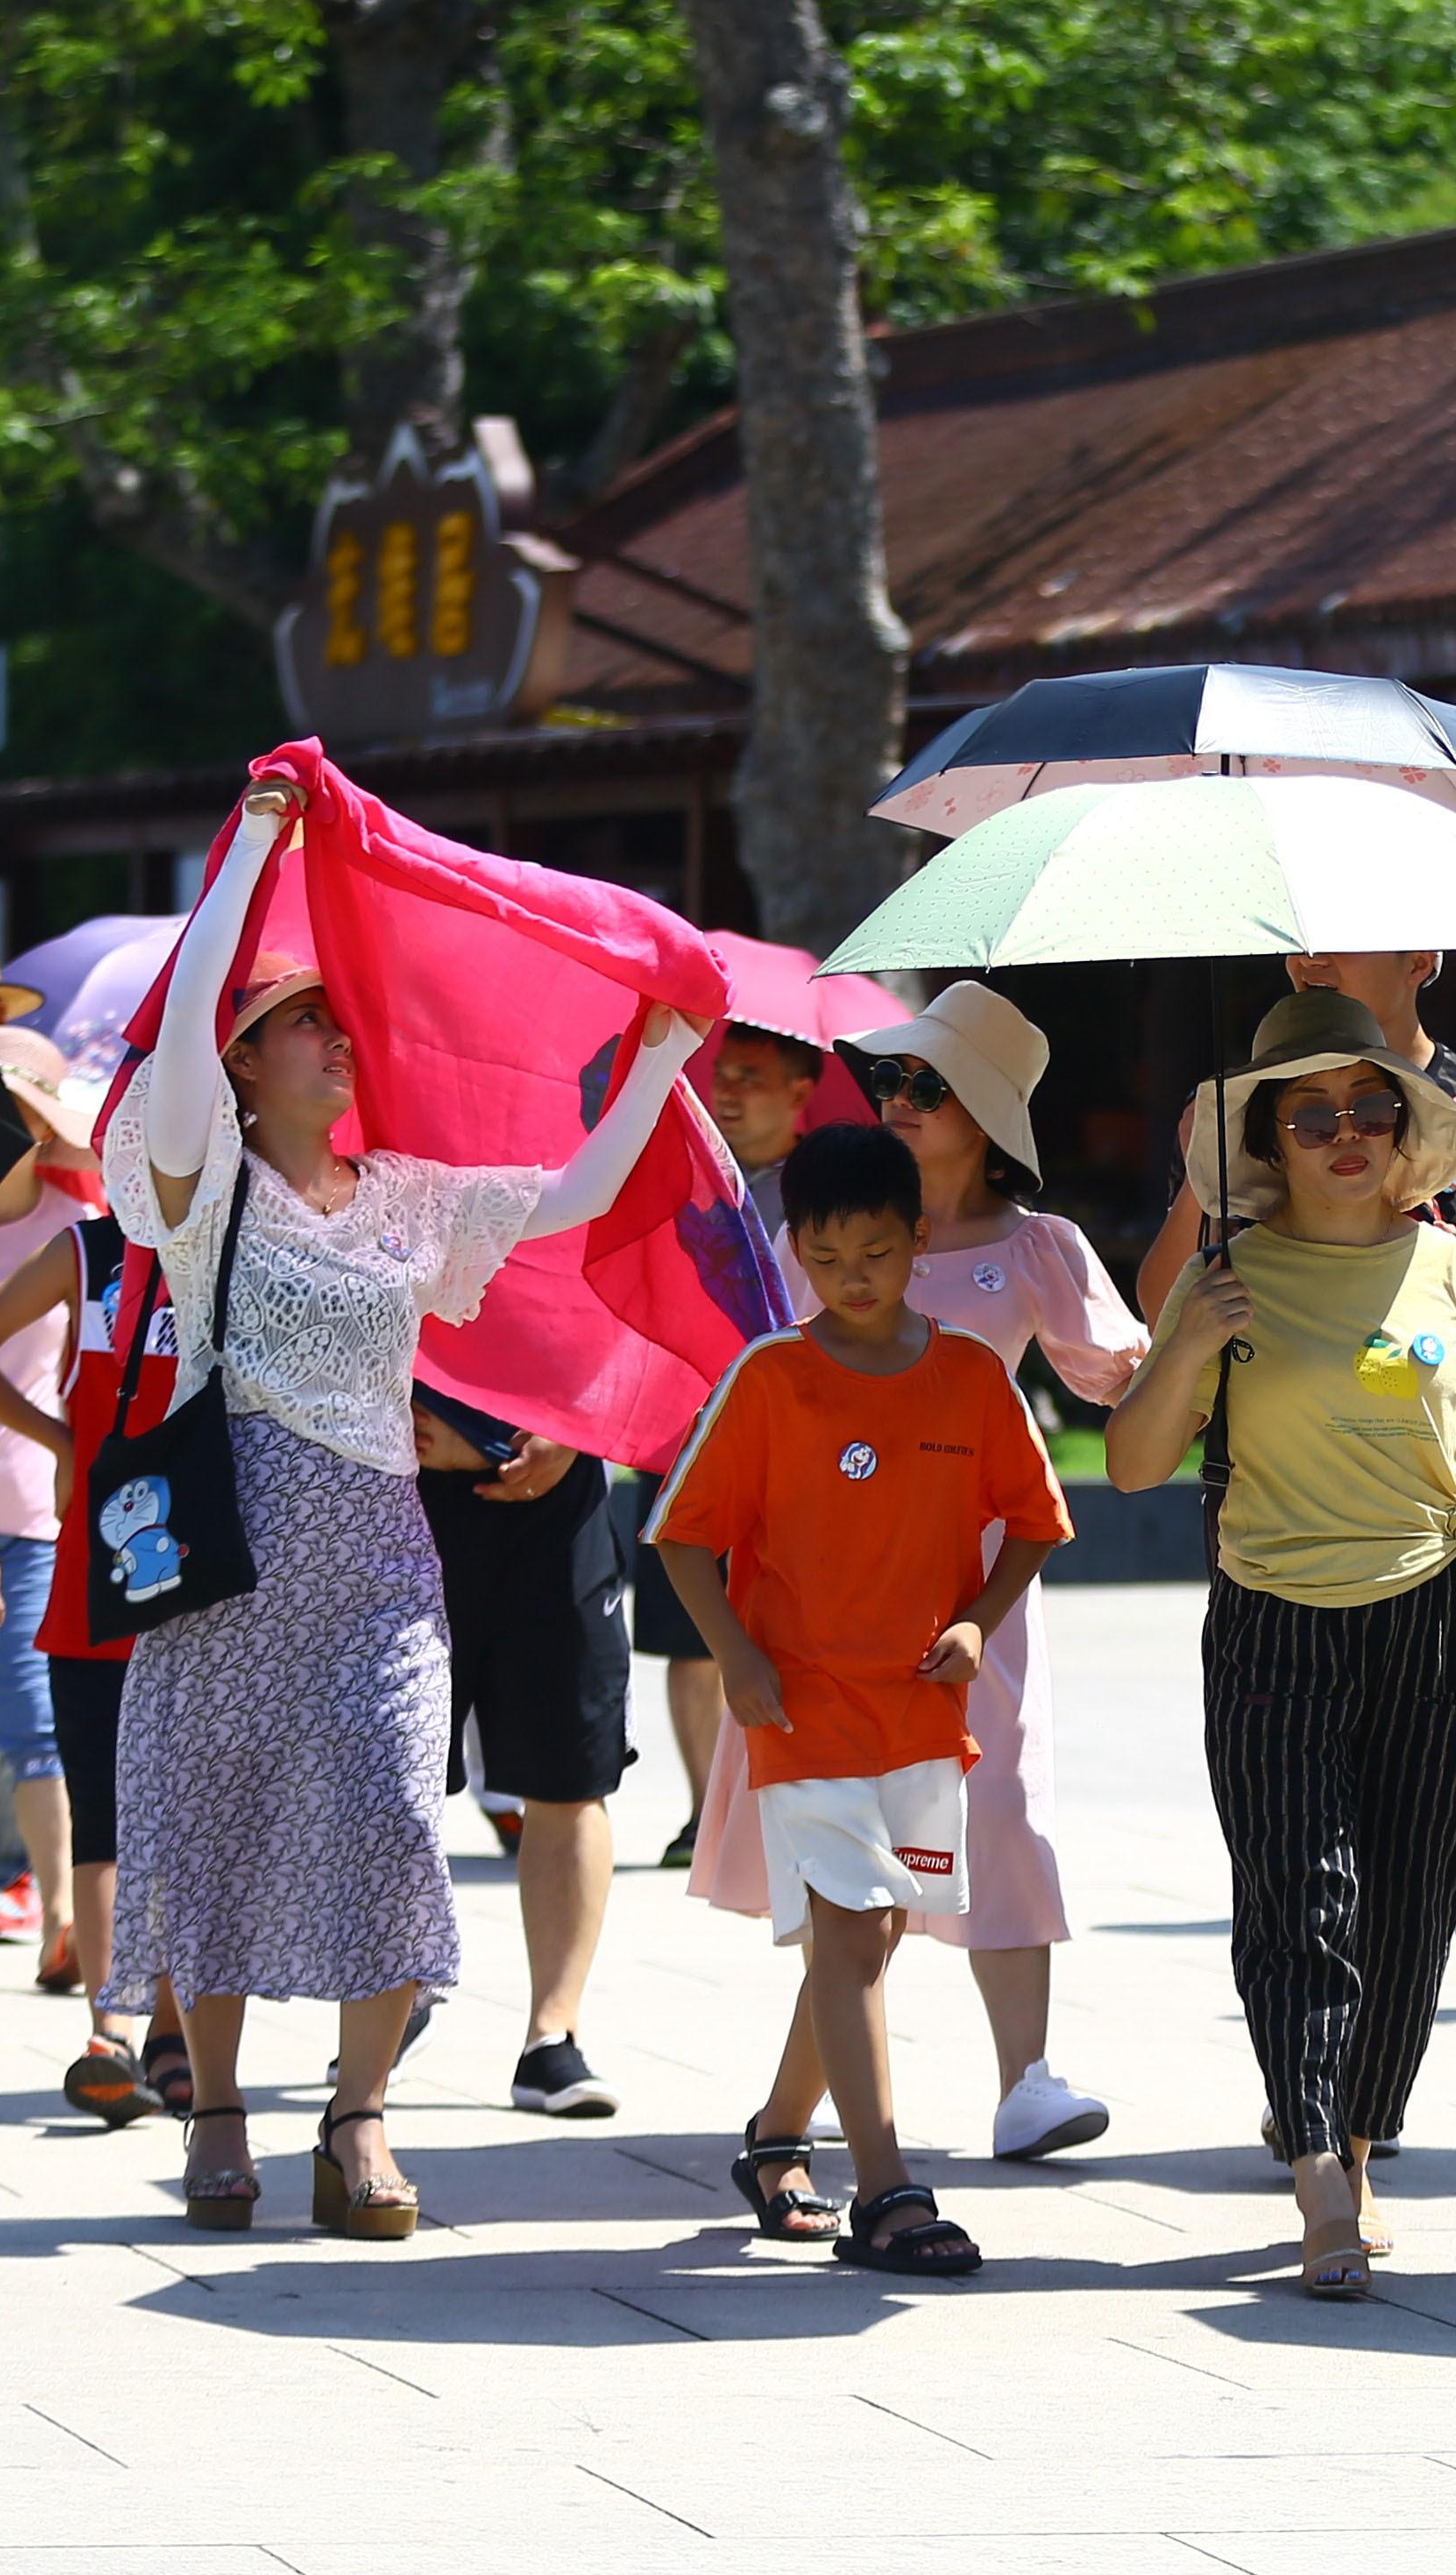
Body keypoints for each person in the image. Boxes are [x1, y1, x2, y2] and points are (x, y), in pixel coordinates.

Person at [101, 774, 701, 2238]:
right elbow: (181, 1034)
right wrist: (250, 846)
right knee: (223, 1826)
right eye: (300, 1018)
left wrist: (662, 1051)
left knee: (389, 1818)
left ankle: (356, 2117)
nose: (333, 1029)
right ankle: (222, 2118)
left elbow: (567, 1198)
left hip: (377, 1549)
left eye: (329, 1014)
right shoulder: (195, 1179)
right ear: (244, 1062)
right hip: (230, 1552)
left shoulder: (411, 1195)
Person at [1100, 989, 1456, 2302]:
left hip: (1434, 1616)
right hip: (1271, 1616)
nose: (1345, 1134)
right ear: (1268, 1138)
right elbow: (1137, 1468)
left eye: (1370, 1110)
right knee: (1297, 1899)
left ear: (1407, 1125)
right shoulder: (1226, 1280)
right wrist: (1185, 1340)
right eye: (1311, 1116)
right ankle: (1316, 2159)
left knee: (1421, 1898)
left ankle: (1360, 2134)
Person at [692, 980, 1144, 2158]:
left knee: (999, 1797)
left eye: (927, 1084)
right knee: (851, 1839)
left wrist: (1195, 1300)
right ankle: (806, 2112)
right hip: (835, 1564)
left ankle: (1026, 2078)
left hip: (979, 1569)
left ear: (988, 1115)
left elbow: (1119, 1382)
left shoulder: (1040, 1246)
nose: (898, 1097)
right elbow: (762, 1374)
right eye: (890, 1077)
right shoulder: (831, 1231)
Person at [654, 1121, 1077, 2276]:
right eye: (830, 1258)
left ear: (918, 1242)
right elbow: (683, 1539)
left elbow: (1037, 1521)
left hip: (922, 1713)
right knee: (849, 1931)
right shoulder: (772, 1377)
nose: (854, 1280)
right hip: (802, 1710)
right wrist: (737, 1659)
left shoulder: (971, 1376)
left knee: (873, 1936)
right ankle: (887, 2191)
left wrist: (974, 1623)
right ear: (797, 1252)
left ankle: (777, 2135)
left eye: (877, 1256)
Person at [0, 1192, 165, 2128]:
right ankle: (111, 2034)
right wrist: (59, 1438)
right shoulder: (89, 1249)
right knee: (101, 1805)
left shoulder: (251, 1238)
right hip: (99, 1557)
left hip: (218, 1566)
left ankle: (179, 2035)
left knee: (188, 1812)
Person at [1138, 948, 1456, 1378]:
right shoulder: (1237, 1110)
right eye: (1300, 943)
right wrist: (1203, 1176)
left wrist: (1437, 1278)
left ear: (1420, 961)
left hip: (1440, 1441)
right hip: (1274, 1438)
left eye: (1343, 941)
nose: (1308, 960)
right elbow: (1165, 1317)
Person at [420, 1392, 626, 2113]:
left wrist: (573, 1427)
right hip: (401, 1492)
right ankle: (386, 1994)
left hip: (560, 1499)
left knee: (571, 1777)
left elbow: (627, 1326)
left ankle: (553, 2036)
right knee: (391, 1780)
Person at [655, 1023, 831, 1862]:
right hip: (692, 1426)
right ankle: (703, 1812)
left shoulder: (826, 1186)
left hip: (795, 1434)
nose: (728, 1090)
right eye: (721, 1073)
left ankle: (780, 1793)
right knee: (689, 1628)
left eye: (752, 1076)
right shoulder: (697, 1179)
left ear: (801, 1090)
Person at [0, 1029, 98, 1970]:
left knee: (35, 1725)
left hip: (36, 1511)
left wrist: (59, 1441)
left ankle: (62, 1923)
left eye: (17, 1111)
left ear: (45, 1126)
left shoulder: (73, 1226)